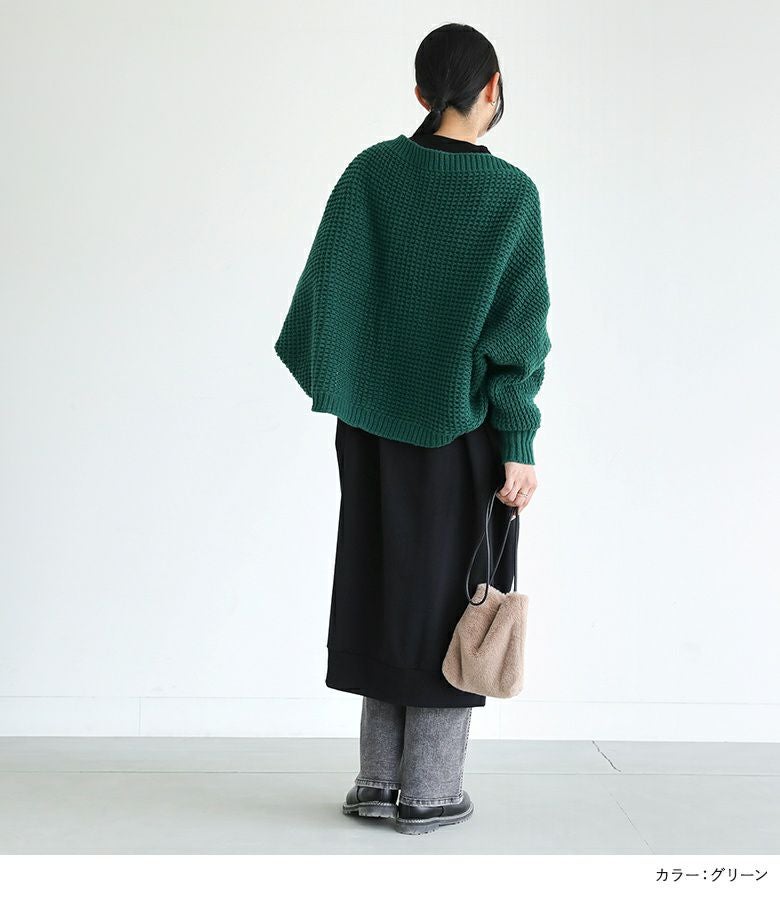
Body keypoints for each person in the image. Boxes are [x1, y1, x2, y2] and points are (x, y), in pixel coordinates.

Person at [274, 23, 552, 835]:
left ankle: (375, 783)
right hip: (462, 436)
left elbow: (323, 298)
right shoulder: (511, 195)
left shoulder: (371, 173)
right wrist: (518, 445)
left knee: (382, 583)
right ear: (492, 88)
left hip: (370, 430)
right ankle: (428, 791)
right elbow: (518, 339)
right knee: (453, 597)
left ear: (422, 93)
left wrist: (358, 384)